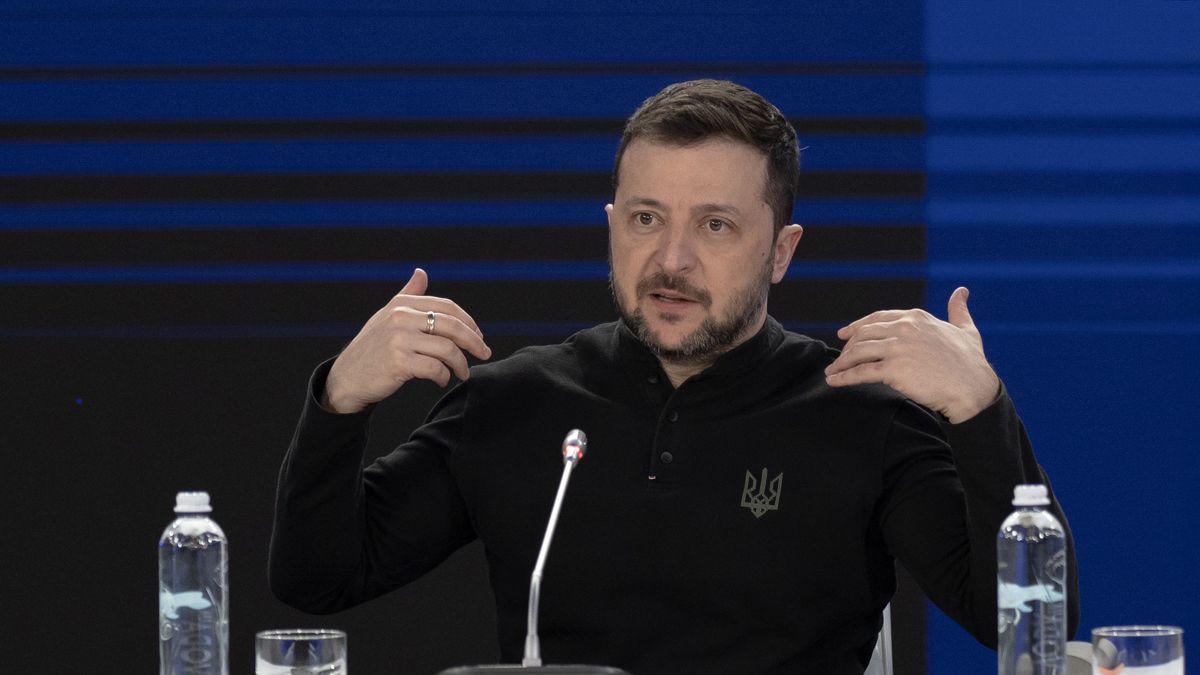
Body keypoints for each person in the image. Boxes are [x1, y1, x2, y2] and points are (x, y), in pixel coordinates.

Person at [270, 79, 1079, 674]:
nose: (672, 260)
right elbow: (318, 576)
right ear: (612, 226)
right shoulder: (515, 401)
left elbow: (1034, 625)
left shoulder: (859, 412)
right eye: (646, 218)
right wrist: (340, 399)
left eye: (716, 225)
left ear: (782, 251)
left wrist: (981, 412)